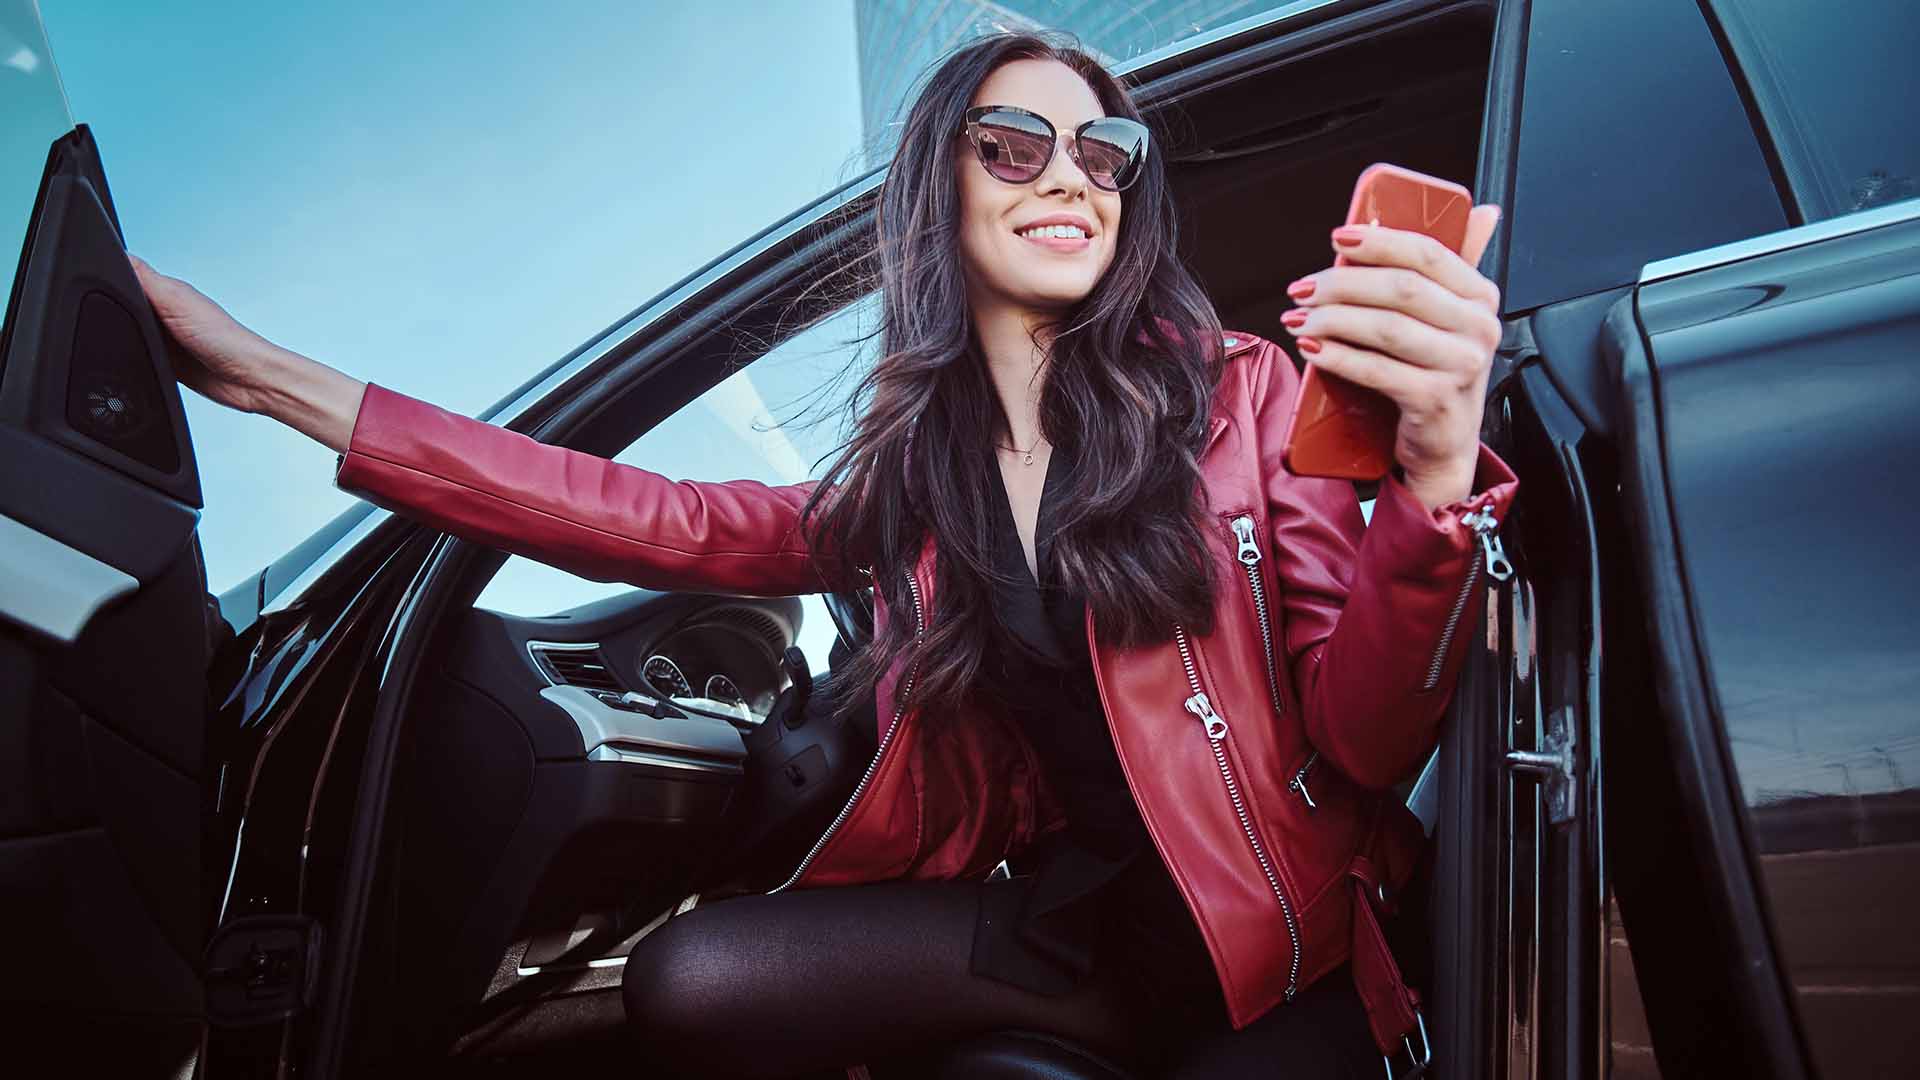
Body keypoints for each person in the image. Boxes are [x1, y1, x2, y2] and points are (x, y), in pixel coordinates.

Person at [135, 32, 1514, 1079]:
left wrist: (1437, 474)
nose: (1073, 178)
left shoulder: (1245, 394)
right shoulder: (916, 486)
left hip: (1280, 962)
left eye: (1106, 155)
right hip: (1077, 939)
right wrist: (266, 378)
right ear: (943, 183)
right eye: (1017, 143)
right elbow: (637, 513)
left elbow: (1370, 736)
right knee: (690, 980)